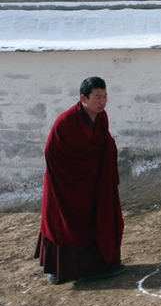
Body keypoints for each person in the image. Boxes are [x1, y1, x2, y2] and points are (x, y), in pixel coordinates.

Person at [35, 76, 125, 284]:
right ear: (83, 98)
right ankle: (58, 270)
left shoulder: (101, 118)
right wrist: (73, 177)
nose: (101, 102)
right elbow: (51, 153)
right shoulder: (66, 122)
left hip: (91, 182)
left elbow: (101, 146)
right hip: (65, 184)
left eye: (104, 97)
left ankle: (96, 266)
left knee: (94, 217)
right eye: (97, 97)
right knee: (63, 222)